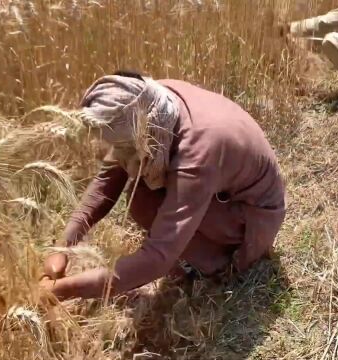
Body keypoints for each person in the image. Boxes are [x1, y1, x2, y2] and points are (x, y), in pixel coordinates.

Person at [39, 71, 286, 300]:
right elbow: (106, 183)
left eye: (125, 149)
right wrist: (63, 246)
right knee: (142, 200)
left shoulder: (197, 154)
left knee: (148, 207)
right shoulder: (148, 103)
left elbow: (156, 259)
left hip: (251, 216)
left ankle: (217, 264)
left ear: (144, 133)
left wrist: (61, 290)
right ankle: (199, 250)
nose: (119, 157)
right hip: (220, 189)